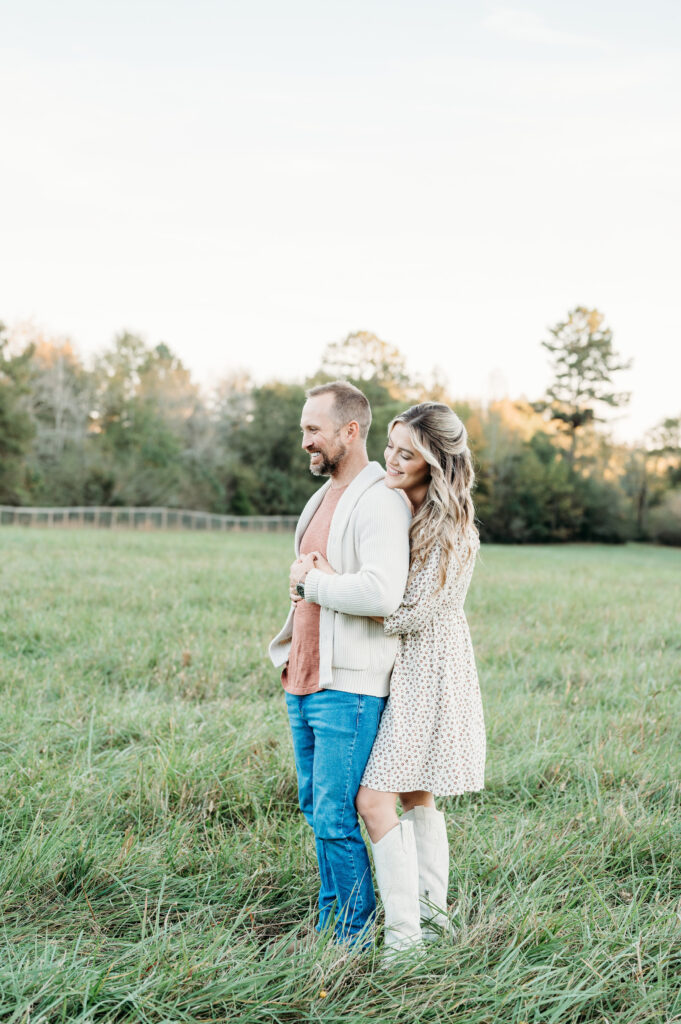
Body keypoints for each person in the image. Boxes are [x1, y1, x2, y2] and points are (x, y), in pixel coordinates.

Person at [311, 402, 485, 955]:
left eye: (407, 454)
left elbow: (407, 611)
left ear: (435, 463)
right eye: (391, 447)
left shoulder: (451, 527)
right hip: (404, 665)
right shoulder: (400, 507)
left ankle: (405, 937)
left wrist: (334, 584)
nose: (392, 459)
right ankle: (433, 921)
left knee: (372, 799)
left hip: (428, 671)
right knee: (416, 794)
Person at [268, 380, 411, 946]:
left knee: (334, 817)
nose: (305, 441)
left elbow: (382, 595)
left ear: (350, 432)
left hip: (348, 687)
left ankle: (349, 939)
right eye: (304, 429)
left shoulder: (379, 499)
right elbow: (312, 578)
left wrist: (315, 582)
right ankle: (330, 922)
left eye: (313, 430)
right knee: (315, 811)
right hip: (304, 677)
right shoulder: (321, 497)